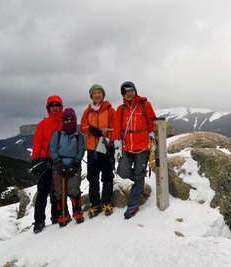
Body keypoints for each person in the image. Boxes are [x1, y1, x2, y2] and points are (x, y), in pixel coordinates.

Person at [113, 81, 156, 219]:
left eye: (131, 90)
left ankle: (132, 204)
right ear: (123, 94)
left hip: (142, 146)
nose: (129, 93)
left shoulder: (145, 105)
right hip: (126, 147)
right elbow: (117, 127)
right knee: (122, 171)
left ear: (135, 90)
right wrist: (117, 145)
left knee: (138, 175)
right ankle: (140, 179)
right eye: (125, 91)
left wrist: (152, 136)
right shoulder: (121, 109)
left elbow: (152, 121)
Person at [80, 84, 116, 217]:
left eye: (100, 92)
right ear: (91, 96)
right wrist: (90, 129)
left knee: (107, 176)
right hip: (91, 150)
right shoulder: (87, 111)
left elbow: (115, 127)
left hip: (105, 148)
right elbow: (82, 126)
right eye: (94, 93)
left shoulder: (110, 110)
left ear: (103, 94)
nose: (97, 95)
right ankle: (95, 205)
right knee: (92, 177)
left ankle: (106, 202)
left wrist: (109, 140)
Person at [30, 95, 63, 233]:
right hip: (45, 160)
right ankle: (39, 221)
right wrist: (35, 159)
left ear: (60, 106)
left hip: (59, 161)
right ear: (48, 107)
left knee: (56, 190)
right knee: (42, 191)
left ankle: (56, 216)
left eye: (57, 105)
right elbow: (37, 142)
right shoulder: (43, 124)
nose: (54, 107)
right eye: (52, 105)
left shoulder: (64, 122)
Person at [50, 108, 85, 227]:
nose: (69, 122)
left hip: (74, 165)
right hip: (59, 166)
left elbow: (81, 150)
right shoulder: (58, 134)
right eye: (66, 119)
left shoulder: (79, 136)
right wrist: (58, 163)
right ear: (63, 121)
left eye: (71, 119)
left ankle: (77, 211)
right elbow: (53, 149)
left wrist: (76, 163)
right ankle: (63, 214)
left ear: (75, 120)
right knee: (59, 191)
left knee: (73, 188)